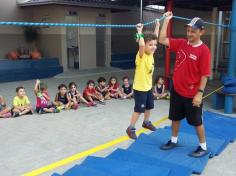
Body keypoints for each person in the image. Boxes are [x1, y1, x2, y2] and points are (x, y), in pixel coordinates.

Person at [159, 12, 211, 158]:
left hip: (192, 94)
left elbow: (205, 74)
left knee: (196, 122)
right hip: (176, 89)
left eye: (193, 31)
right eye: (188, 30)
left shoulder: (204, 50)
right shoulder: (181, 43)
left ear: (201, 32)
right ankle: (174, 140)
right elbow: (162, 39)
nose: (189, 34)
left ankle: (203, 146)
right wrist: (166, 20)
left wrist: (199, 93)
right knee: (175, 117)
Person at [126, 20, 160, 139]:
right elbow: (141, 45)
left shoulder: (150, 54)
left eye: (155, 45)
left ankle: (146, 122)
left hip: (148, 87)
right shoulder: (141, 55)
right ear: (144, 45)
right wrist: (139, 31)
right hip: (140, 88)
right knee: (139, 109)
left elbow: (154, 38)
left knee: (149, 106)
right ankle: (130, 128)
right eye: (150, 45)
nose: (153, 47)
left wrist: (157, 25)